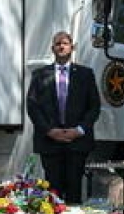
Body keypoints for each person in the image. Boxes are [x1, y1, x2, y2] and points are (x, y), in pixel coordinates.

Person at [25, 31, 101, 205]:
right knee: (53, 193)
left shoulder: (85, 74)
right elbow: (33, 107)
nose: (61, 46)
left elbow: (94, 107)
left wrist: (79, 130)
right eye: (58, 44)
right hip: (50, 142)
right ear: (52, 49)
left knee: (74, 191)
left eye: (65, 43)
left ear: (72, 48)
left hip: (77, 142)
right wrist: (50, 131)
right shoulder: (40, 75)